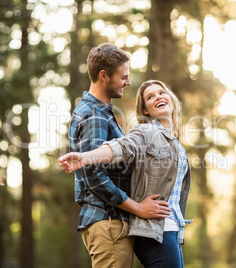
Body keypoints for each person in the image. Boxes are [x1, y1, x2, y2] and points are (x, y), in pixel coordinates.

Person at [59, 80, 192, 268]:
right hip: (155, 230)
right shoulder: (145, 131)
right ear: (145, 111)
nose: (158, 97)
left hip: (172, 231)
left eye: (161, 93)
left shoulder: (176, 145)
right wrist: (85, 157)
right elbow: (120, 147)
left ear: (171, 98)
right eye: (150, 97)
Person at [65, 44, 171, 268]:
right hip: (108, 222)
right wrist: (138, 208)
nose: (128, 82)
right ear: (104, 76)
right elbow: (94, 176)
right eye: (123, 77)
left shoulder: (102, 113)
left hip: (111, 222)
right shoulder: (94, 114)